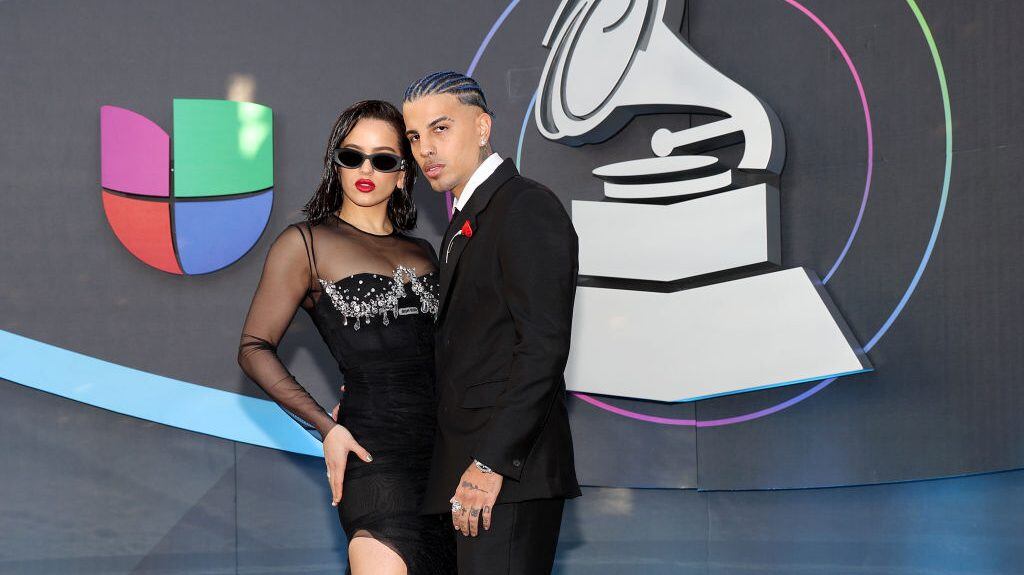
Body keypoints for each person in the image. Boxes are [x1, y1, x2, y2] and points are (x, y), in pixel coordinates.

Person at [237, 100, 456, 575]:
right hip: (373, 455)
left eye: (383, 160)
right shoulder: (306, 243)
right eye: (352, 156)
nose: (365, 169)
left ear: (403, 173)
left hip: (445, 460)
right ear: (335, 164)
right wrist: (326, 426)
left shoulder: (423, 252)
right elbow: (253, 348)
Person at [402, 72, 582, 575]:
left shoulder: (525, 206)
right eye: (415, 137)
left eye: (440, 129)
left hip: (503, 477)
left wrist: (491, 464)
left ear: (482, 128)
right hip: (472, 473)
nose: (425, 150)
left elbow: (543, 346)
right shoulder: (469, 218)